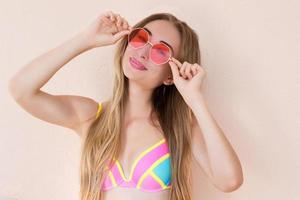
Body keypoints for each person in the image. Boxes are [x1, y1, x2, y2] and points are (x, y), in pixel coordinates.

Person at [8, 10, 243, 200]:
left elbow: (229, 181)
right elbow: (21, 90)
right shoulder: (91, 117)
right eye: (141, 38)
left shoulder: (178, 127)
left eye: (160, 51)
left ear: (170, 75)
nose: (143, 52)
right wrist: (86, 40)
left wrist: (195, 99)